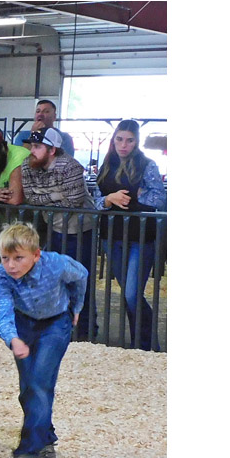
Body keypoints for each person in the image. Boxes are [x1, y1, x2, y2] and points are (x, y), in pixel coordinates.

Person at [0, 222, 87, 458]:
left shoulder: (56, 264)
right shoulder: (2, 276)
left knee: (39, 383)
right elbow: (4, 313)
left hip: (55, 324)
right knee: (27, 388)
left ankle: (28, 451)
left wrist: (76, 307)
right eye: (5, 258)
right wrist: (13, 338)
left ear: (36, 255)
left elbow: (81, 275)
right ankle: (46, 437)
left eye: (18, 258)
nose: (11, 265)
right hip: (23, 324)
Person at [94, 119, 166, 351]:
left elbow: (160, 198)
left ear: (136, 142)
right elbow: (95, 199)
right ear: (114, 139)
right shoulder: (107, 164)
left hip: (141, 236)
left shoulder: (147, 165)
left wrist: (133, 195)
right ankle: (140, 343)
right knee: (128, 293)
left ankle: (145, 344)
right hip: (111, 234)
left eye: (129, 140)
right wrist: (108, 199)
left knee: (132, 293)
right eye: (119, 139)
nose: (123, 145)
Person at [21, 127, 97, 341]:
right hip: (54, 228)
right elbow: (30, 198)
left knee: (80, 280)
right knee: (55, 280)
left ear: (52, 150)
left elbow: (73, 201)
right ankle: (59, 330)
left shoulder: (71, 166)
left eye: (37, 146)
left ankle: (85, 332)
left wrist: (45, 197)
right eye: (31, 146)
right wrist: (56, 195)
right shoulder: (28, 165)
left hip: (80, 230)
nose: (32, 150)